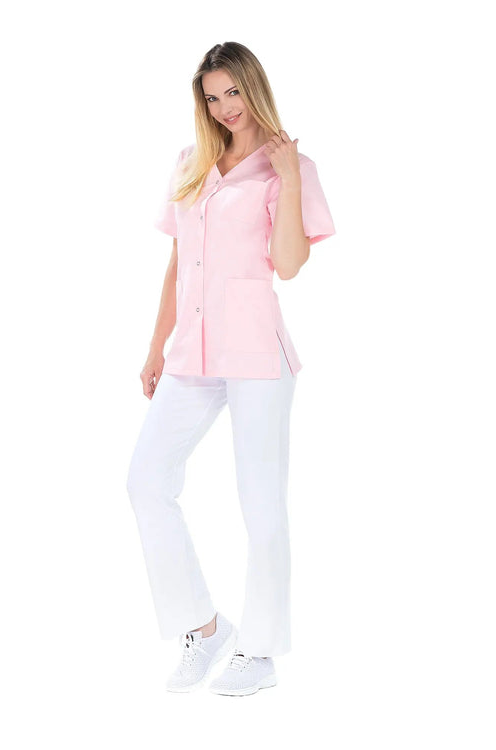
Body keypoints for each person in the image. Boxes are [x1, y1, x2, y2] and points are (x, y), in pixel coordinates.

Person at [126, 41, 336, 697]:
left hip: (255, 353)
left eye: (233, 93)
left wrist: (290, 180)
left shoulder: (290, 165)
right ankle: (204, 627)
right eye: (212, 98)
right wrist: (156, 346)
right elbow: (177, 264)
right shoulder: (190, 162)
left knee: (261, 502)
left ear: (254, 87)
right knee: (146, 480)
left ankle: (262, 651)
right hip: (191, 353)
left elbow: (290, 265)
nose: (224, 108)